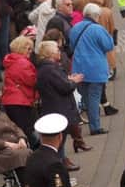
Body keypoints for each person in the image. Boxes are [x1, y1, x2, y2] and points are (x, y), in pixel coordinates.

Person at [37, 40, 88, 171]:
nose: (59, 52)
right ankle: (59, 168)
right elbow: (64, 87)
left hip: (56, 107)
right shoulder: (50, 69)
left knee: (60, 142)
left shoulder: (47, 68)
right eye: (57, 50)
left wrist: (68, 80)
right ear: (50, 54)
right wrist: (73, 82)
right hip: (58, 108)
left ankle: (62, 163)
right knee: (59, 142)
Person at [70, 4, 114, 135]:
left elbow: (72, 46)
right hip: (95, 68)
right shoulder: (97, 29)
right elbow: (108, 45)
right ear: (95, 16)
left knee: (86, 97)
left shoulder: (75, 28)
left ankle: (89, 121)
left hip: (78, 67)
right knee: (94, 97)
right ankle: (95, 127)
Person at [2, 36, 38, 146]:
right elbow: (32, 80)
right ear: (21, 49)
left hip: (11, 100)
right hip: (21, 101)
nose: (30, 52)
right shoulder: (23, 63)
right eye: (28, 49)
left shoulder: (11, 60)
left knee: (20, 131)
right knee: (26, 132)